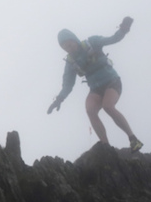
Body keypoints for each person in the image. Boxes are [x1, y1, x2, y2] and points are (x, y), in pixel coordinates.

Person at [47, 17, 143, 152]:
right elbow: (68, 85)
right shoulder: (70, 62)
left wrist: (123, 30)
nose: (68, 49)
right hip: (95, 88)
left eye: (69, 44)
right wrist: (58, 100)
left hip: (112, 81)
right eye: (64, 47)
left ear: (74, 39)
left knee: (108, 106)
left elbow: (113, 39)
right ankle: (106, 146)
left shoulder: (92, 42)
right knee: (90, 111)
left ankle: (133, 139)